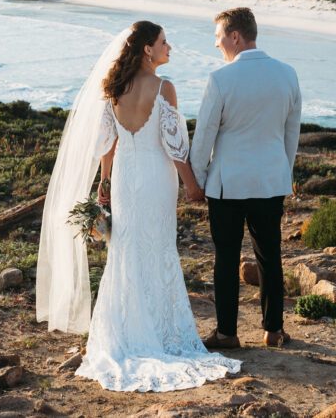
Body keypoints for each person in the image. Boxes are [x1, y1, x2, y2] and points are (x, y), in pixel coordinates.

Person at [36, 20, 241, 392]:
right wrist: (193, 187)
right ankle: (159, 332)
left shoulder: (114, 88)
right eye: (164, 41)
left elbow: (107, 143)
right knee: (157, 247)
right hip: (155, 178)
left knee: (126, 251)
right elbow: (176, 148)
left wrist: (105, 181)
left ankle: (126, 332)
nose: (170, 47)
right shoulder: (164, 88)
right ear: (147, 49)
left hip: (126, 179)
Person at [189, 8, 302, 349]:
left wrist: (197, 180)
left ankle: (227, 333)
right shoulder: (288, 74)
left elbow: (204, 136)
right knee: (270, 255)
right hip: (270, 181)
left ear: (235, 36)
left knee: (226, 258)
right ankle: (273, 330)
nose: (217, 44)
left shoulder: (221, 79)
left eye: (219, 37)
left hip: (227, 185)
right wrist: (283, 171)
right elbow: (291, 134)